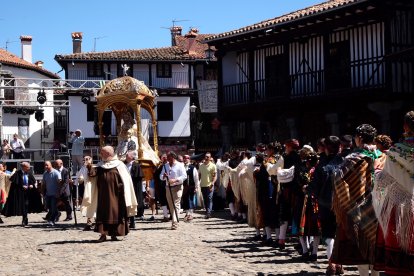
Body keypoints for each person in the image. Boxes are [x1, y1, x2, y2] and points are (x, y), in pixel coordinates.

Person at [331, 125, 381, 276]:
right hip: (380, 208)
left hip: (357, 209)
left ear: (359, 139)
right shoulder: (383, 157)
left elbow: (339, 181)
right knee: (376, 248)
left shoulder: (352, 159)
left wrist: (347, 205)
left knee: (360, 249)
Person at [373, 111, 414, 275]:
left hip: (401, 209)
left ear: (405, 126)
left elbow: (383, 181)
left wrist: (376, 169)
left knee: (399, 265)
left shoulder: (396, 152)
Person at [88, 146, 137, 242]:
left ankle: (115, 234)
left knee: (116, 214)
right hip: (103, 196)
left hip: (117, 196)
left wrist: (122, 191)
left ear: (109, 154)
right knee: (103, 214)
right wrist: (89, 166)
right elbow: (92, 174)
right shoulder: (100, 165)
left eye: (102, 153)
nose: (100, 154)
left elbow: (126, 181)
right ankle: (103, 234)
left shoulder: (119, 165)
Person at [1, 162, 37, 226]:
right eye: (27, 167)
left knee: (26, 205)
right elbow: (14, 182)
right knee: (23, 205)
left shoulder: (29, 173)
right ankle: (24, 218)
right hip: (20, 193)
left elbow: (32, 181)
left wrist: (31, 185)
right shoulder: (17, 173)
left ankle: (25, 218)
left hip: (28, 193)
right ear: (23, 167)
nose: (29, 168)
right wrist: (21, 186)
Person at [160, 151, 187, 230]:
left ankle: (174, 222)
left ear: (173, 157)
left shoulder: (180, 165)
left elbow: (184, 176)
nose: (167, 159)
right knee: (171, 206)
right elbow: (161, 177)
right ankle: (175, 219)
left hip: (178, 187)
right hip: (168, 188)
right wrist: (164, 176)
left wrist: (175, 180)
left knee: (176, 204)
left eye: (169, 157)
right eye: (167, 158)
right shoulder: (165, 166)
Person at [125, 150, 144, 229]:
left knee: (132, 203)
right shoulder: (124, 164)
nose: (126, 156)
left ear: (132, 157)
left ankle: (132, 221)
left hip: (134, 187)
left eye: (127, 155)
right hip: (125, 187)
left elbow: (138, 178)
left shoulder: (136, 165)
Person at [42, 161, 62, 227]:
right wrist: (43, 192)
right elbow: (44, 184)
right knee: (49, 207)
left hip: (55, 194)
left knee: (53, 207)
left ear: (51, 165)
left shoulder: (56, 173)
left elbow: (60, 184)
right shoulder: (45, 174)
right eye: (45, 165)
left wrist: (58, 193)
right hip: (48, 194)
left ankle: (52, 221)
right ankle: (57, 213)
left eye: (47, 165)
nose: (46, 167)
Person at [77, 156, 94, 231]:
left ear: (91, 160)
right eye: (84, 160)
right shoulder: (82, 168)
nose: (85, 161)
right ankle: (89, 223)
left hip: (93, 189)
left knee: (94, 206)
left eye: (87, 159)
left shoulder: (94, 167)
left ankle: (94, 223)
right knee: (88, 206)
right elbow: (79, 179)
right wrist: (80, 179)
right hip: (86, 189)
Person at [198, 152, 217, 219]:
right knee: (205, 199)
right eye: (205, 156)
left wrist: (213, 183)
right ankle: (207, 211)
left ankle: (209, 213)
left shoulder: (213, 166)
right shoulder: (201, 166)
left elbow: (215, 176)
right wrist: (198, 183)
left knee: (209, 199)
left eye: (207, 157)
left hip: (210, 185)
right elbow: (199, 175)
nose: (206, 158)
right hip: (203, 185)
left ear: (210, 158)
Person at [182, 154, 200, 222]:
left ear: (189, 159)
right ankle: (187, 213)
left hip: (191, 186)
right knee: (185, 200)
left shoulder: (193, 167)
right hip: (184, 187)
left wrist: (196, 187)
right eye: (184, 158)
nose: (185, 159)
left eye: (187, 158)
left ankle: (191, 214)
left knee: (191, 199)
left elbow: (196, 178)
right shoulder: (182, 167)